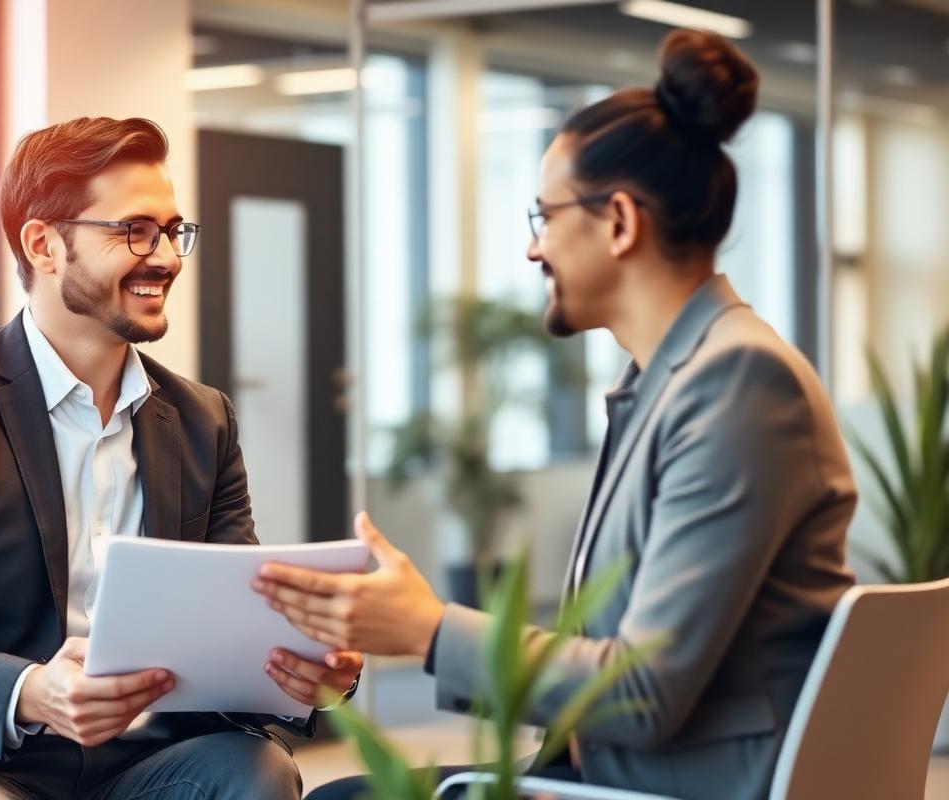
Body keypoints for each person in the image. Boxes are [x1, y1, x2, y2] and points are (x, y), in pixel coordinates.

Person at [255, 29, 857, 800]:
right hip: (624, 769)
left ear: (618, 222)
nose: (535, 249)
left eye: (544, 215)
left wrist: (428, 631)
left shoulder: (737, 382)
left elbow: (642, 692)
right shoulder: (676, 377)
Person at [0, 116, 361, 800]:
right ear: (43, 244)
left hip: (141, 764)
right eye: (134, 230)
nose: (166, 256)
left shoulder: (202, 420)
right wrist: (31, 689)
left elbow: (230, 625)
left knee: (259, 773)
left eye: (173, 232)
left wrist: (308, 672)